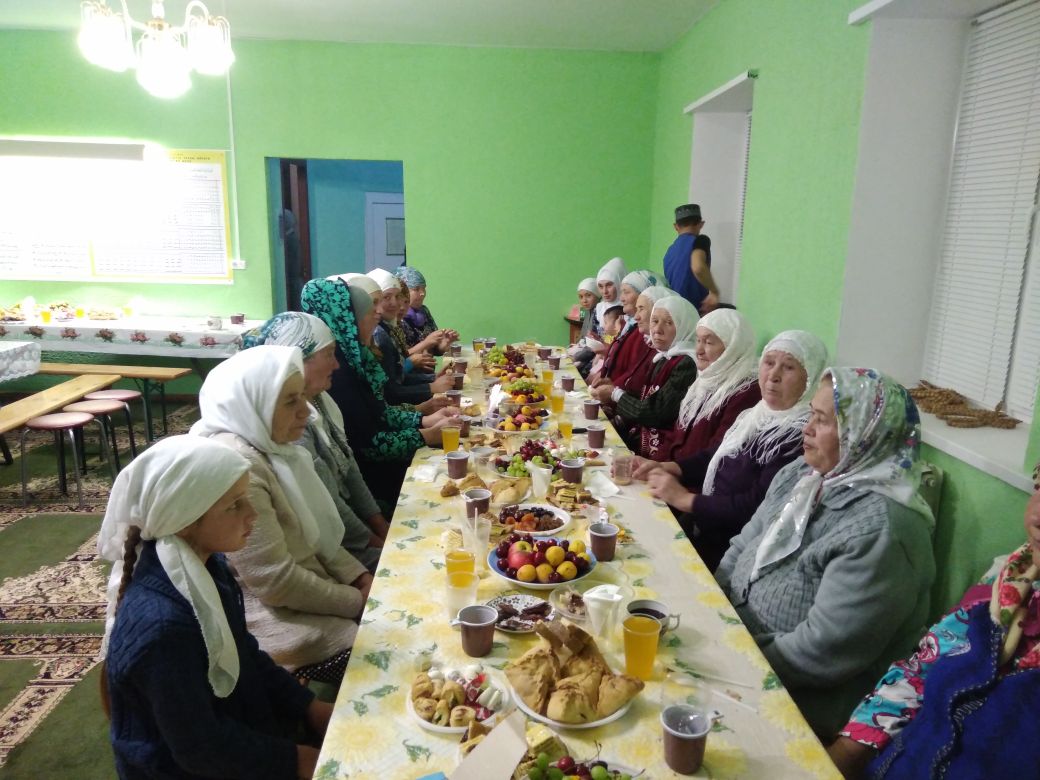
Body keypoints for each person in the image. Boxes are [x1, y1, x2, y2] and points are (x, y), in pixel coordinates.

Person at [715, 367, 936, 738]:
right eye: (811, 415)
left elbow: (820, 653)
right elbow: (744, 542)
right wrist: (713, 607)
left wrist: (730, 653)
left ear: (865, 434)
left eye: (822, 420)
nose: (807, 429)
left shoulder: (883, 531)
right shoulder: (803, 474)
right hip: (736, 644)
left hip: (793, 701)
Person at [100, 436, 332, 780]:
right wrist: (299, 760)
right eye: (235, 505)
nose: (252, 513)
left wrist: (310, 707)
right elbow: (201, 749)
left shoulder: (209, 568)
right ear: (184, 520)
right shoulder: (163, 629)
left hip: (231, 734)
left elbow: (245, 653)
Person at [827, 462, 1040, 779]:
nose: (1036, 518)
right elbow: (918, 672)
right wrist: (839, 757)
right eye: (1039, 485)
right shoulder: (1010, 581)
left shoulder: (883, 524)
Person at [192, 345, 374, 685]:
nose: (307, 412)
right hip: (274, 617)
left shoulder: (274, 448)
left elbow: (318, 536)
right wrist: (356, 601)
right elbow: (275, 581)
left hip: (310, 588)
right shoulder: (239, 468)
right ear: (253, 404)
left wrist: (360, 578)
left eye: (303, 396)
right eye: (291, 401)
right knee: (387, 652)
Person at [641, 330, 826, 570]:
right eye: (769, 363)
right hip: (705, 525)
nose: (773, 376)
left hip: (733, 549)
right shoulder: (756, 414)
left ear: (810, 377)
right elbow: (715, 456)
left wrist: (686, 500)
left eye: (789, 367)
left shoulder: (799, 437)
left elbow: (756, 506)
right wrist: (667, 467)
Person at [241, 311, 389, 571]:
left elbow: (349, 467)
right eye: (329, 354)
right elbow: (328, 506)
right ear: (298, 360)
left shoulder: (320, 400)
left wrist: (380, 525)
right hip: (336, 542)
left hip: (350, 527)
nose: (337, 365)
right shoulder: (293, 424)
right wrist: (378, 542)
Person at [302, 275, 457, 504]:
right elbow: (368, 444)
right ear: (346, 316)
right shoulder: (338, 370)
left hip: (380, 468)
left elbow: (381, 411)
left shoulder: (357, 356)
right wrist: (426, 432)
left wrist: (423, 420)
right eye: (372, 305)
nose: (379, 311)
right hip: (376, 478)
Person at [594, 294, 699, 456]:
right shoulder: (663, 357)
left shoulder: (686, 364)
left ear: (685, 326)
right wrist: (613, 400)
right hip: (640, 437)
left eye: (669, 323)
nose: (657, 330)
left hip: (662, 452)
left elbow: (655, 413)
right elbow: (644, 397)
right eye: (655, 321)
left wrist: (615, 395)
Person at [668, 308, 761, 460]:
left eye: (709, 342)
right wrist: (655, 464)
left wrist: (671, 469)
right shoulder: (705, 380)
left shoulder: (746, 391)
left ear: (732, 347)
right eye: (698, 340)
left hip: (694, 474)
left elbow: (718, 451)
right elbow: (677, 437)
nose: (698, 350)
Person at [368, 268, 453, 406]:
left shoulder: (390, 327)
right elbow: (391, 392)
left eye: (398, 297)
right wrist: (430, 387)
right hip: (402, 409)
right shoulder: (379, 334)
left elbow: (399, 376)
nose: (397, 304)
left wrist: (433, 378)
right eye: (386, 297)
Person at [589, 286, 674, 423]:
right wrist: (612, 386)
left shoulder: (675, 359)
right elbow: (634, 381)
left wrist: (614, 394)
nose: (636, 316)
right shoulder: (651, 344)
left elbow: (650, 409)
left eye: (641, 309)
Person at [662, 203, 719, 313]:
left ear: (676, 226)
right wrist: (714, 292)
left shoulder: (669, 251)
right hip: (694, 312)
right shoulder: (701, 241)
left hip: (673, 311)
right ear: (701, 224)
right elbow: (698, 267)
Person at [394, 265, 458, 353]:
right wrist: (426, 343)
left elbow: (435, 349)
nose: (422, 293)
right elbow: (399, 358)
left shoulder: (424, 311)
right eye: (416, 289)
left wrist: (444, 344)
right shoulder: (395, 318)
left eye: (424, 288)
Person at [568, 277, 601, 377]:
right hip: (584, 354)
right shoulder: (589, 312)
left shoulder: (600, 314)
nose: (584, 300)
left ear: (597, 294)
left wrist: (574, 357)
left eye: (588, 295)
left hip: (594, 359)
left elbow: (594, 346)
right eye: (581, 297)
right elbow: (583, 339)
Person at [587, 304, 624, 377]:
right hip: (600, 362)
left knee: (592, 377)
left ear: (617, 322)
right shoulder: (608, 335)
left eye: (606, 323)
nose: (603, 326)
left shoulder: (618, 337)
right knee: (590, 376)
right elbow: (604, 344)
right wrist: (597, 339)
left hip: (606, 364)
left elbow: (610, 349)